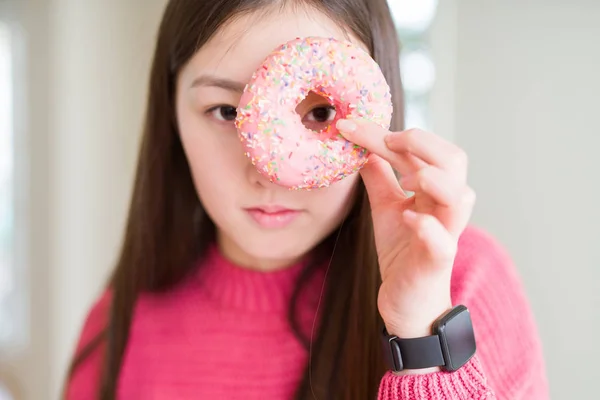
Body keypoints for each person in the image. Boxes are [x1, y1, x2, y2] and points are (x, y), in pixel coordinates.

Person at [64, 0, 549, 399]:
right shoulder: (117, 330)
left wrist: (422, 336)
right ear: (170, 115)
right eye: (227, 110)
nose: (269, 172)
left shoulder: (460, 285)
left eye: (319, 112)